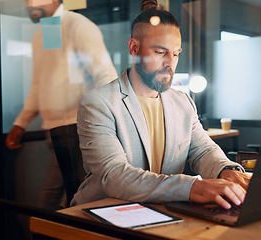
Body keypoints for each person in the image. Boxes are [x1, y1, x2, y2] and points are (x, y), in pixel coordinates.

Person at [72, 2, 250, 210]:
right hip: (103, 212)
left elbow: (203, 150)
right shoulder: (98, 103)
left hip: (158, 209)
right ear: (134, 48)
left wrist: (226, 171)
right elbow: (114, 176)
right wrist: (194, 187)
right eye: (160, 52)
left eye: (175, 53)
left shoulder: (182, 102)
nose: (170, 63)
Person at [5, 0, 117, 209]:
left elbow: (105, 75)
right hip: (55, 132)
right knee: (70, 200)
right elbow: (40, 84)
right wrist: (20, 123)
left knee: (68, 201)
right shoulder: (45, 32)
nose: (31, 4)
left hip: (76, 130)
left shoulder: (78, 25)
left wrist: (99, 122)